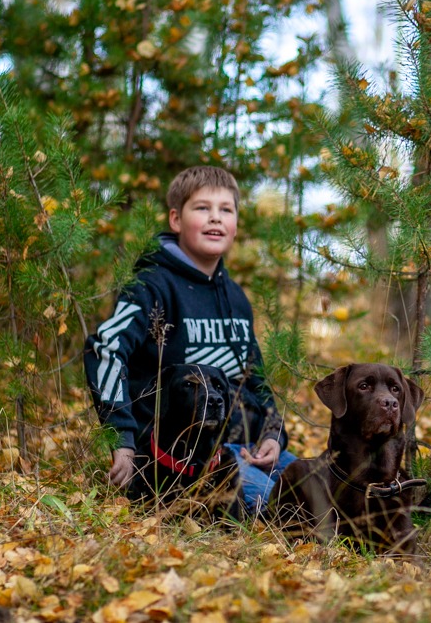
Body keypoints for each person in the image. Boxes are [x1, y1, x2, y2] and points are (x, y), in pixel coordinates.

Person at [84, 165, 294, 514]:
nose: (216, 218)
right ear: (176, 220)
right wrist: (121, 438)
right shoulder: (151, 286)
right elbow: (105, 348)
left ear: (236, 223)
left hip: (246, 450)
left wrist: (273, 435)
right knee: (288, 507)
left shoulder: (237, 299)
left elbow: (256, 381)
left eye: (226, 210)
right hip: (183, 459)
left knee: (324, 486)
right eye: (202, 208)